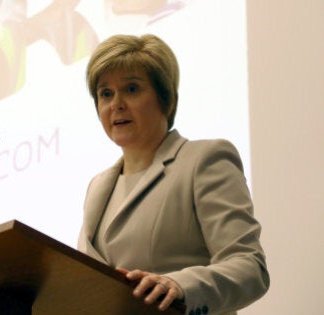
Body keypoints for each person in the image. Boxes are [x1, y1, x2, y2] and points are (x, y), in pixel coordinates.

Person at [77, 34, 269, 315]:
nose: (116, 104)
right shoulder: (98, 187)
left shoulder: (204, 160)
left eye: (131, 89)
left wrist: (180, 286)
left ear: (166, 99)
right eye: (106, 93)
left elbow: (250, 267)